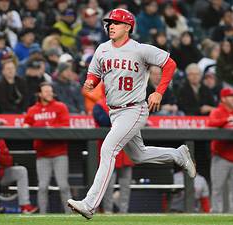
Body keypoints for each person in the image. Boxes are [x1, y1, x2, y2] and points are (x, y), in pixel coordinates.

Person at [67, 8, 196, 220]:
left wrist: (159, 92)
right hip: (114, 112)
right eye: (109, 23)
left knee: (108, 149)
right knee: (139, 154)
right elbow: (94, 73)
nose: (111, 26)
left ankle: (90, 204)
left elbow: (170, 63)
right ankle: (177, 155)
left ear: (128, 27)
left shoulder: (140, 49)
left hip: (134, 108)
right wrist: (91, 81)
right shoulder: (102, 49)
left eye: (116, 23)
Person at [23, 82, 72, 214]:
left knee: (63, 186)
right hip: (42, 154)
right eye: (46, 91)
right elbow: (26, 125)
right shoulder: (33, 109)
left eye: (50, 91)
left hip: (59, 152)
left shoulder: (60, 107)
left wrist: (49, 128)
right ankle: (42, 216)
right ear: (39, 94)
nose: (49, 93)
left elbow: (65, 125)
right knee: (43, 186)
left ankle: (70, 214)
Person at [93, 93, 134, 213]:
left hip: (126, 150)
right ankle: (108, 211)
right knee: (107, 185)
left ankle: (124, 212)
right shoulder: (99, 105)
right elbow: (104, 121)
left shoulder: (129, 101)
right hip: (109, 151)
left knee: (125, 186)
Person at [208, 88, 233, 213]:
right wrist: (226, 120)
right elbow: (210, 123)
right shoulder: (218, 111)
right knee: (218, 188)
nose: (232, 98)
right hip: (221, 156)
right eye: (230, 96)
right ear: (223, 99)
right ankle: (216, 214)